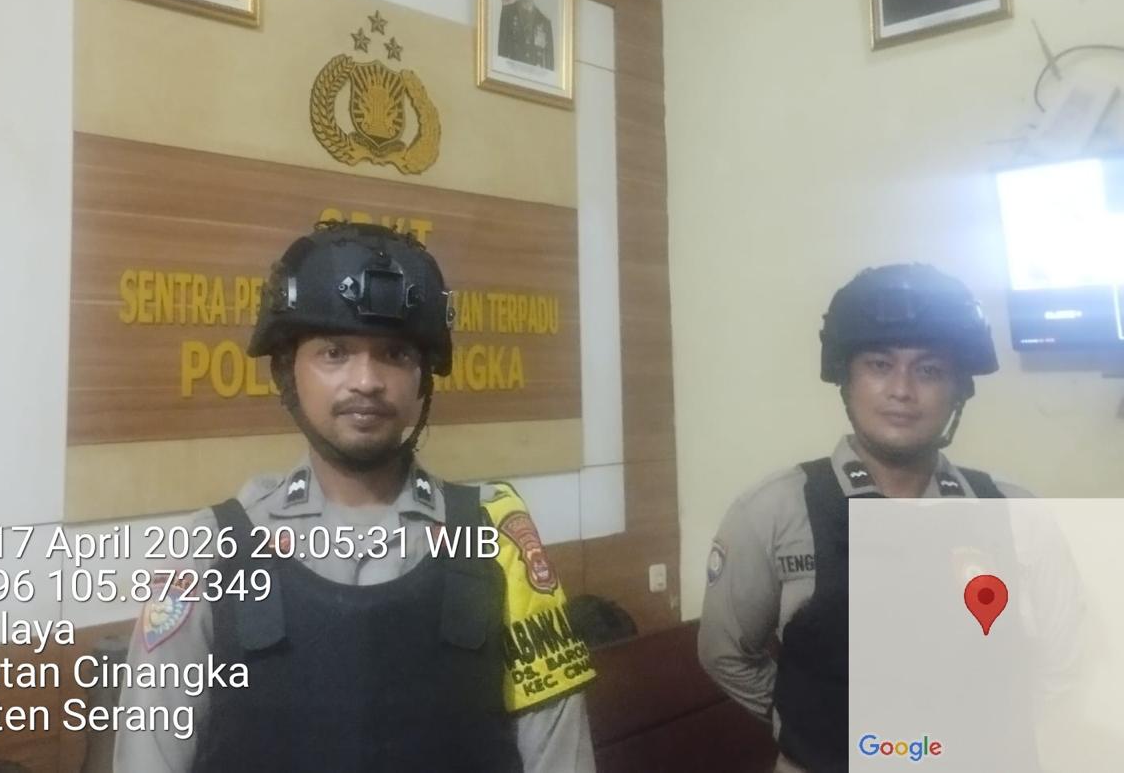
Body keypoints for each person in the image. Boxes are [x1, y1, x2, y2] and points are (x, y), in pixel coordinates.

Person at [114, 222, 597, 772]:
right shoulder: (207, 551)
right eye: (334, 352)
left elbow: (561, 756)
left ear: (423, 378)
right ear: (287, 371)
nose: (366, 380)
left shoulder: (498, 539)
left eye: (394, 353)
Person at [697, 264, 1041, 773]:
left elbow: (1060, 656)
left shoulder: (1012, 511)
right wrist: (811, 722)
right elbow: (725, 653)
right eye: (880, 364)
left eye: (929, 370)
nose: (902, 389)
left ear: (958, 389)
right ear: (847, 380)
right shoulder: (775, 510)